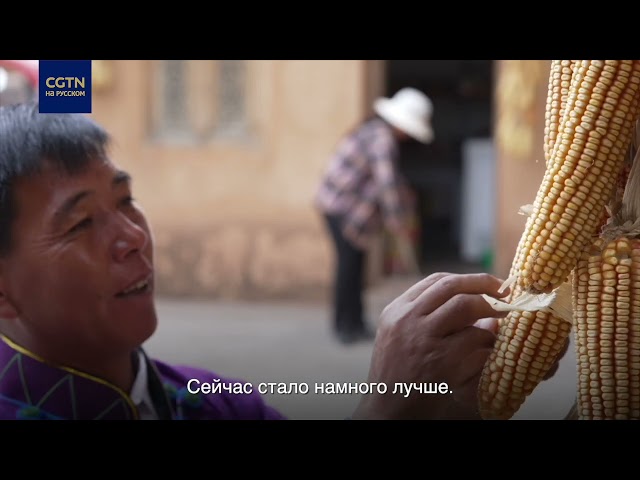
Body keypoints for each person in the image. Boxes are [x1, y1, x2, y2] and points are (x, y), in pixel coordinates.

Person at [0, 101, 559, 420]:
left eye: (126, 200)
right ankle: (348, 325)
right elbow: (388, 190)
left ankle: (351, 323)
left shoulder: (217, 402)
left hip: (350, 213)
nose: (131, 237)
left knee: (348, 274)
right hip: (344, 213)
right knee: (345, 273)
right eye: (79, 223)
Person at [315, 87, 434, 345]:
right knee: (348, 266)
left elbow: (391, 183)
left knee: (356, 263)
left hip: (345, 207)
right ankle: (344, 326)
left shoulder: (376, 132)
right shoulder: (381, 138)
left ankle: (355, 322)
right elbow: (386, 183)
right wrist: (397, 221)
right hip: (340, 207)